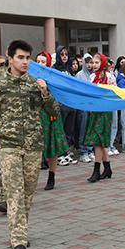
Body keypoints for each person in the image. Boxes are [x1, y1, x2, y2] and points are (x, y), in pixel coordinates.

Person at [0, 40, 59, 249]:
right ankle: (18, 239)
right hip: (8, 146)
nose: (25, 62)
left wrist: (45, 93)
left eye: (27, 58)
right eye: (21, 57)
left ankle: (21, 230)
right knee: (14, 191)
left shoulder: (36, 83)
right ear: (10, 58)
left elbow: (54, 111)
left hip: (33, 146)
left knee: (27, 193)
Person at [35, 51, 69, 190]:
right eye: (38, 61)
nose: (40, 64)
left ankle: (51, 176)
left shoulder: (53, 77)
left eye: (43, 62)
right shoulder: (31, 78)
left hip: (50, 115)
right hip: (36, 115)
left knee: (51, 147)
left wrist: (45, 91)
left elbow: (58, 97)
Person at [84, 53, 116, 183]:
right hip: (95, 110)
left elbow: (114, 91)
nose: (94, 65)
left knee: (98, 139)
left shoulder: (108, 76)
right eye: (93, 63)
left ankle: (96, 170)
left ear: (102, 63)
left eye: (97, 63)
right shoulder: (92, 77)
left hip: (105, 110)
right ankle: (107, 168)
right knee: (99, 139)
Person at [53, 45, 78, 165]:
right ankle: (60, 154)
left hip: (70, 103)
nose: (64, 56)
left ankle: (66, 152)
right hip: (61, 103)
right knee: (61, 129)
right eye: (62, 54)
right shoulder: (55, 69)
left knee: (69, 129)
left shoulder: (70, 69)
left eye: (66, 54)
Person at [75, 53, 95, 163]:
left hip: (92, 105)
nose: (89, 65)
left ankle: (90, 149)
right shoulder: (79, 75)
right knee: (83, 128)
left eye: (91, 62)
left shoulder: (94, 75)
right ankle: (83, 152)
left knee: (91, 128)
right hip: (83, 105)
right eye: (87, 62)